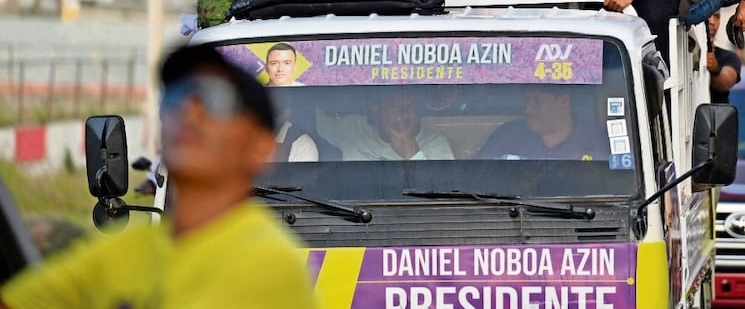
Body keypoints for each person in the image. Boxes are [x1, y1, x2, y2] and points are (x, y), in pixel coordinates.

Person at [0, 44, 317, 309]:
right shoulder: (129, 248)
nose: (188, 112)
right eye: (177, 96)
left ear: (259, 147)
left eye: (215, 100)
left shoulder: (269, 264)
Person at [317, 88, 453, 161]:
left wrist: (412, 153)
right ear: (377, 112)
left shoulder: (435, 142)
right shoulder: (353, 128)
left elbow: (443, 190)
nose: (402, 116)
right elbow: (315, 120)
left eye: (410, 107)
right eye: (394, 108)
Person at [477, 86, 606, 160]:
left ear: (564, 101)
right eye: (527, 100)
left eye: (538, 101)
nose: (527, 109)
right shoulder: (507, 136)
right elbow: (477, 178)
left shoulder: (597, 141)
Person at [263, 42, 318, 163]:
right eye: (274, 63)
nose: (280, 69)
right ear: (266, 67)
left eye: (286, 63)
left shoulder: (301, 143)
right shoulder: (254, 92)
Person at [706, 10, 741, 103]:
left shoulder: (730, 57)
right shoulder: (682, 54)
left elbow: (724, 84)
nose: (712, 22)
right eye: (707, 15)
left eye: (717, 17)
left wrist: (714, 70)